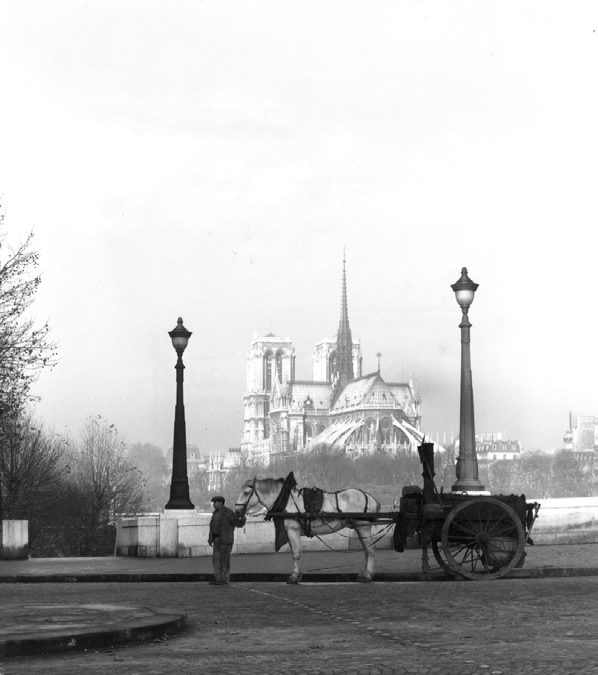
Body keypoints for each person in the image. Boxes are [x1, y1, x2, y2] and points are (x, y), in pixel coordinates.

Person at [208, 496, 245, 585]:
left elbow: (237, 523)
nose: (213, 504)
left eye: (215, 502)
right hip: (216, 540)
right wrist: (210, 539)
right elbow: (212, 527)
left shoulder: (228, 512)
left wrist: (242, 517)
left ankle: (224, 579)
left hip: (225, 540)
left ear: (220, 503)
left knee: (224, 561)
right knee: (216, 560)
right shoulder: (215, 513)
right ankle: (218, 579)